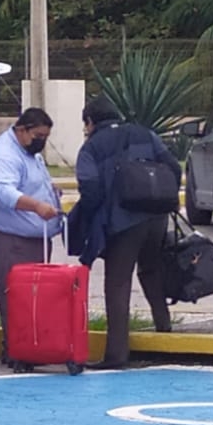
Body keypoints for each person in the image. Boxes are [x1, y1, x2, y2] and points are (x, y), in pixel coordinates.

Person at [72, 95, 181, 368]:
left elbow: (91, 190)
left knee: (118, 284)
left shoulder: (91, 148)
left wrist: (87, 220)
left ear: (90, 122)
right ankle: (163, 325)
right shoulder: (145, 133)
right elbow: (174, 167)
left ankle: (116, 355)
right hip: (157, 217)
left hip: (122, 222)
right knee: (151, 268)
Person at [0, 107, 62, 363]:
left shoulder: (29, 154)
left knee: (31, 298)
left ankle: (28, 346)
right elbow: (2, 191)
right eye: (38, 135)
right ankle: (16, 350)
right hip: (9, 238)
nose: (42, 141)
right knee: (16, 296)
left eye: (46, 136)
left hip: (33, 237)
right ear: (22, 130)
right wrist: (36, 206)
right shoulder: (3, 156)